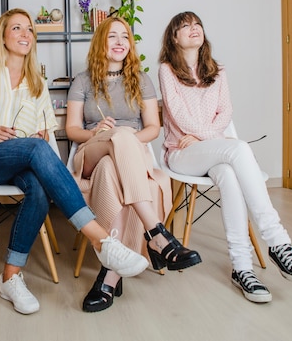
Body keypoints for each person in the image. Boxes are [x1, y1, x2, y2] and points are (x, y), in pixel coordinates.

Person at [0, 8, 149, 315]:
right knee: (34, 148)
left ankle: (10, 277)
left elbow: (45, 134)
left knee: (39, 191)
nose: (25, 34)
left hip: (26, 161)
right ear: (2, 36)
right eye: (17, 28)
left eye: (29, 29)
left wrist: (44, 154)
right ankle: (102, 241)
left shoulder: (37, 81)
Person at [158, 11, 292, 303]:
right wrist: (210, 137)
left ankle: (242, 268)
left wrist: (206, 137)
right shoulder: (167, 70)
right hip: (181, 153)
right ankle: (277, 241)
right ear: (174, 38)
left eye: (197, 24)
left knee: (229, 175)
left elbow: (226, 112)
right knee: (240, 148)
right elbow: (179, 116)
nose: (193, 29)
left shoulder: (218, 70)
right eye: (185, 26)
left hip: (209, 148)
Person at [65, 17, 202, 312]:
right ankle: (157, 233)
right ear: (101, 41)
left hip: (129, 154)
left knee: (112, 170)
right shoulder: (82, 80)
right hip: (91, 150)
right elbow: (72, 130)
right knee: (117, 141)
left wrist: (125, 141)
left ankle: (110, 274)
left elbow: (152, 127)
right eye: (112, 36)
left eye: (124, 37)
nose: (119, 42)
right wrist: (99, 132)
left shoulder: (142, 80)